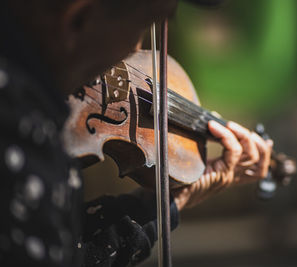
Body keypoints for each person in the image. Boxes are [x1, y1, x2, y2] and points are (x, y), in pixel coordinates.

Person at [0, 0, 273, 266]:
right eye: (143, 26)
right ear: (78, 18)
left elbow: (61, 245)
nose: (137, 51)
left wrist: (172, 200)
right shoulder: (20, 136)